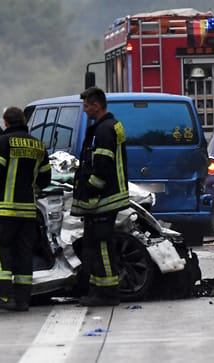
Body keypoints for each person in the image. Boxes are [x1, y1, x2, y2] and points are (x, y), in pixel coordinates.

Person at [0, 106, 51, 312]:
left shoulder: (2, 142)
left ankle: (2, 296)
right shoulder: (38, 145)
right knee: (23, 254)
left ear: (6, 122)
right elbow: (45, 177)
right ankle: (22, 300)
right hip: (28, 210)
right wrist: (32, 190)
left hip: (4, 209)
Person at [71, 87, 129, 306]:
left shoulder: (104, 130)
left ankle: (108, 293)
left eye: (86, 106)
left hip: (104, 199)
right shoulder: (110, 126)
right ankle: (97, 291)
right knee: (95, 245)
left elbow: (102, 168)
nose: (85, 110)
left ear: (96, 105)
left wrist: (90, 191)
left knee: (102, 245)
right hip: (108, 198)